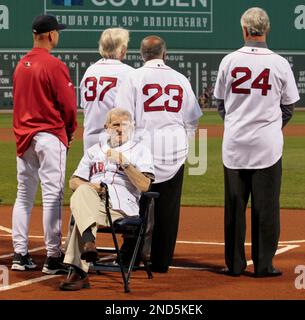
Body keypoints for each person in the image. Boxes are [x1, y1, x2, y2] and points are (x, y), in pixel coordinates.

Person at [214, 7, 300, 277]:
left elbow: (220, 104)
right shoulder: (279, 63)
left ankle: (235, 265)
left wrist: (237, 123)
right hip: (267, 146)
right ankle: (264, 265)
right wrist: (271, 127)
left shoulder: (229, 61)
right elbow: (288, 107)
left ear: (243, 29)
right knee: (266, 207)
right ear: (267, 29)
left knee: (235, 207)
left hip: (235, 144)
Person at [115, 36, 202, 273]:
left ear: (142, 55)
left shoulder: (133, 77)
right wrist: (186, 144)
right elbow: (192, 119)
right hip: (173, 151)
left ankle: (130, 257)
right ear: (165, 54)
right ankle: (162, 260)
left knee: (134, 204)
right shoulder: (180, 78)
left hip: (142, 152)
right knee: (168, 209)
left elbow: (122, 118)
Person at [59, 108, 154, 291]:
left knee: (81, 207)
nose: (120, 129)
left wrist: (124, 163)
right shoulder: (94, 151)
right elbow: (73, 181)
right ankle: (88, 244)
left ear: (132, 127)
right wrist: (93, 187)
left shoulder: (140, 151)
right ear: (106, 127)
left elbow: (144, 185)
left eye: (125, 125)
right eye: (115, 125)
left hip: (120, 207)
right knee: (82, 192)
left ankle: (78, 269)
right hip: (94, 202)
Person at [11, 14, 77, 274]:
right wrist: (69, 130)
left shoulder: (20, 64)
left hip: (23, 137)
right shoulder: (53, 64)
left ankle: (20, 254)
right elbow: (69, 106)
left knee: (24, 195)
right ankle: (52, 257)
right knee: (52, 196)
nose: (57, 35)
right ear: (50, 35)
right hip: (49, 135)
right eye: (57, 32)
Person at [80, 27, 134, 152]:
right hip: (116, 139)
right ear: (123, 49)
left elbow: (85, 106)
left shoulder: (90, 71)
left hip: (90, 141)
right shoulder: (129, 73)